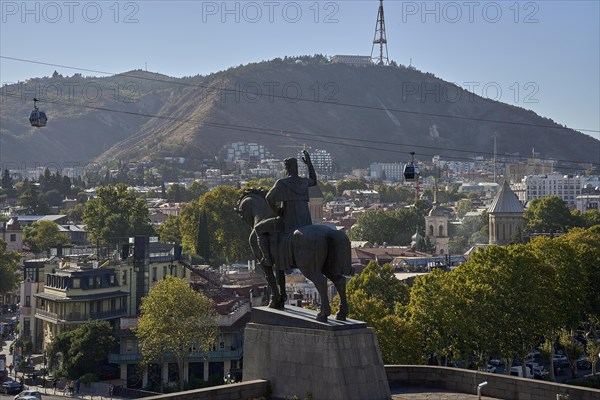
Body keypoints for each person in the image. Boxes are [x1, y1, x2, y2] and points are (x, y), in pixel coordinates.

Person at [257, 151, 317, 266]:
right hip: (305, 222)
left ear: (287, 168)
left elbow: (269, 197)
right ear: (296, 168)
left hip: (289, 221)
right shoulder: (304, 181)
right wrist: (309, 164)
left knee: (259, 228)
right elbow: (314, 181)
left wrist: (278, 210)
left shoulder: (282, 183)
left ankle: (267, 258)